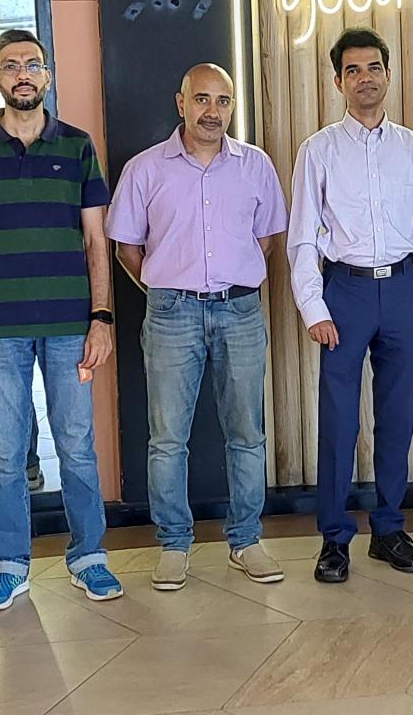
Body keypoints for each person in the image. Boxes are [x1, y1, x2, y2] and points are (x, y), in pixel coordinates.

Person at [0, 29, 121, 610]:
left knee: (76, 445)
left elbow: (96, 240)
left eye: (32, 64)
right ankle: (9, 563)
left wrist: (101, 317)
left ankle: (89, 555)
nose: (22, 73)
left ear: (47, 75)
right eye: (10, 65)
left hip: (71, 323)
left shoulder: (77, 146)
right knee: (5, 452)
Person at [108, 63, 289, 591]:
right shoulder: (145, 169)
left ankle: (246, 540)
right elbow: (126, 248)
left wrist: (226, 279)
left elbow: (265, 241)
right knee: (167, 438)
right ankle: (173, 544)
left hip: (240, 311)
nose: (213, 111)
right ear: (181, 102)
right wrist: (169, 288)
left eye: (223, 101)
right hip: (172, 314)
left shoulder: (256, 166)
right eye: (202, 99)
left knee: (247, 433)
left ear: (232, 107)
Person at [289, 27, 413, 584]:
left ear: (388, 74)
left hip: (405, 291)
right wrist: (313, 306)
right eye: (353, 70)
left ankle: (388, 529)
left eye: (374, 67)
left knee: (397, 416)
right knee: (338, 420)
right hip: (346, 292)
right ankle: (334, 538)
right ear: (339, 82)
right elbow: (302, 237)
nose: (365, 78)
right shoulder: (317, 150)